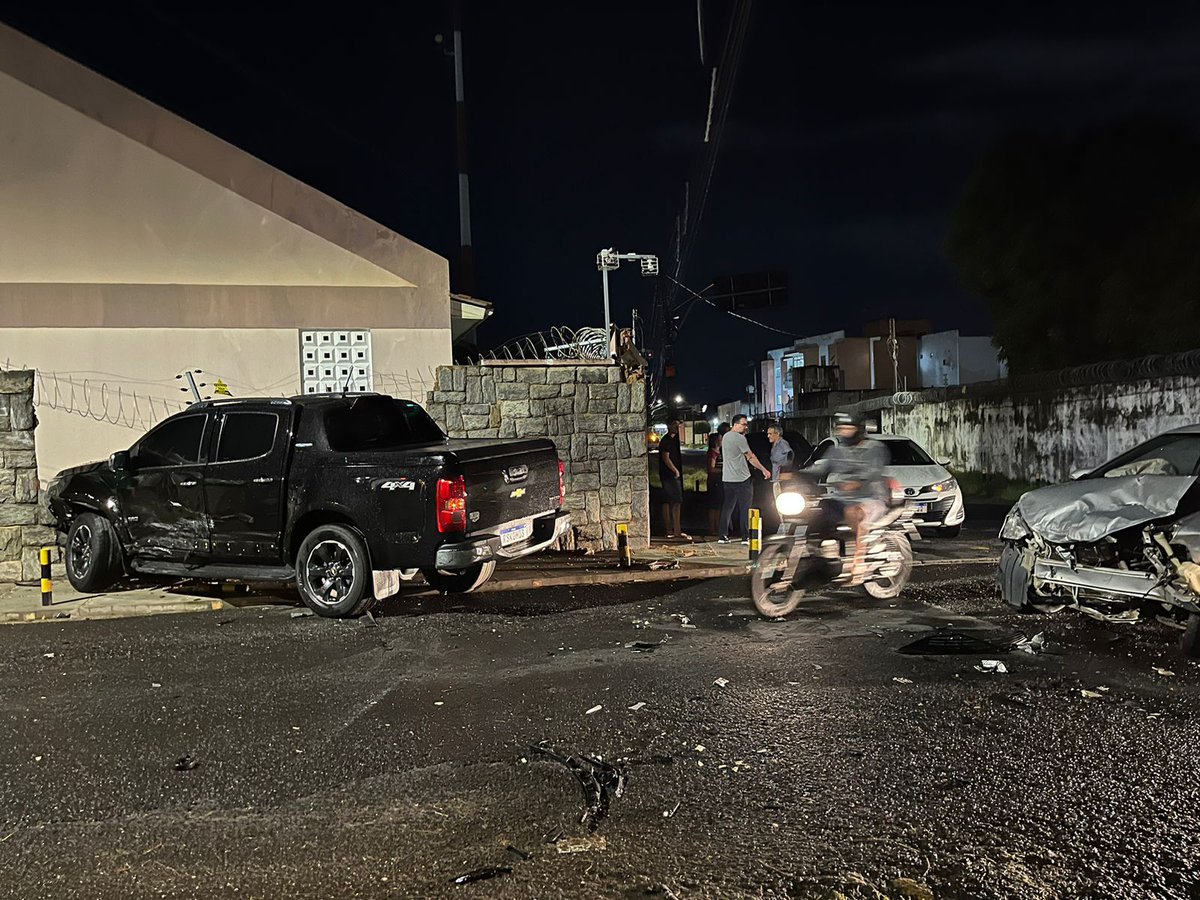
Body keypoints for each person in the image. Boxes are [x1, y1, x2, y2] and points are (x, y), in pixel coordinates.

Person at [804, 410, 890, 583]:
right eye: (841, 428)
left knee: (854, 512)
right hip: (843, 497)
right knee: (818, 513)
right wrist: (798, 474)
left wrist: (858, 481)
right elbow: (822, 468)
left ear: (858, 429)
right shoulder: (838, 450)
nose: (844, 432)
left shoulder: (874, 448)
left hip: (872, 497)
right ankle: (822, 557)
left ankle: (859, 563)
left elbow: (874, 470)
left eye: (848, 428)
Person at [718, 414, 772, 544]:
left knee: (728, 507)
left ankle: (723, 535)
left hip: (727, 478)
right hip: (742, 478)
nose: (745, 426)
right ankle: (745, 536)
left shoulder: (725, 437)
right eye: (743, 424)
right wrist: (763, 469)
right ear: (735, 424)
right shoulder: (739, 438)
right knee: (745, 507)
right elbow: (750, 457)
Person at [658, 420, 690, 541]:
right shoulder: (666, 440)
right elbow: (666, 458)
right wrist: (675, 471)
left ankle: (675, 529)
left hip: (671, 475)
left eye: (678, 425)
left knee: (673, 501)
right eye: (674, 424)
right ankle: (672, 530)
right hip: (669, 476)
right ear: (669, 425)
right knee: (674, 501)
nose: (677, 427)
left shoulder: (673, 440)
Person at [766, 424, 795, 497]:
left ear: (777, 434)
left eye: (770, 434)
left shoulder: (782, 443)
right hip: (776, 478)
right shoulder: (775, 446)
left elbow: (790, 455)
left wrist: (785, 470)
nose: (768, 436)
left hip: (781, 479)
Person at [706, 432, 724, 536]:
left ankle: (717, 526)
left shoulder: (719, 452)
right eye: (720, 439)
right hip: (714, 481)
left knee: (718, 506)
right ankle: (712, 527)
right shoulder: (712, 453)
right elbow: (711, 468)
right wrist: (723, 471)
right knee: (714, 505)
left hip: (719, 481)